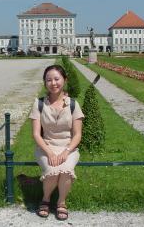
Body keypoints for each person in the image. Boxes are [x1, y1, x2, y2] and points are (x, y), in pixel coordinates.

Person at [29, 65, 84, 221]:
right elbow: (35, 134)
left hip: (69, 147)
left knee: (65, 169)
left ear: (64, 80)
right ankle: (46, 199)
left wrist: (66, 152)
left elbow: (78, 134)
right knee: (52, 168)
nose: (53, 83)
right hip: (46, 146)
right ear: (45, 83)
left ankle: (61, 202)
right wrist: (50, 153)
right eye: (49, 80)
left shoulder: (73, 104)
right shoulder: (39, 104)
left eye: (57, 79)